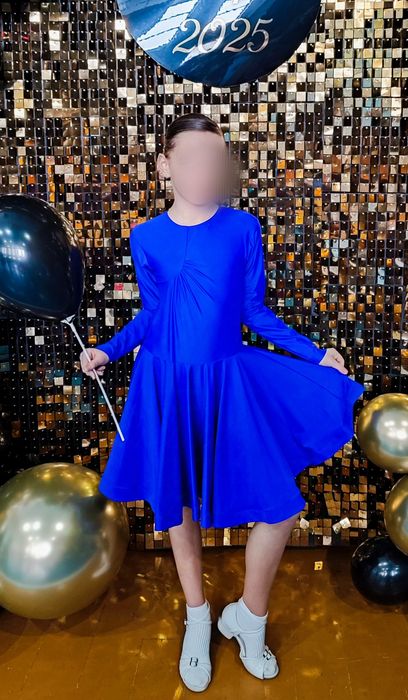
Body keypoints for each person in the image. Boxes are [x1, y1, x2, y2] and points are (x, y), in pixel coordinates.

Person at [80, 113, 364, 692]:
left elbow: (254, 312)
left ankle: (248, 619)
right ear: (165, 165)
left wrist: (316, 355)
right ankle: (197, 618)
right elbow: (153, 314)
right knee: (178, 506)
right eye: (191, 158)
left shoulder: (242, 228)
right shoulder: (145, 237)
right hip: (166, 385)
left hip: (227, 383)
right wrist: (108, 350)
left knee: (281, 508)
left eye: (215, 159)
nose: (205, 170)